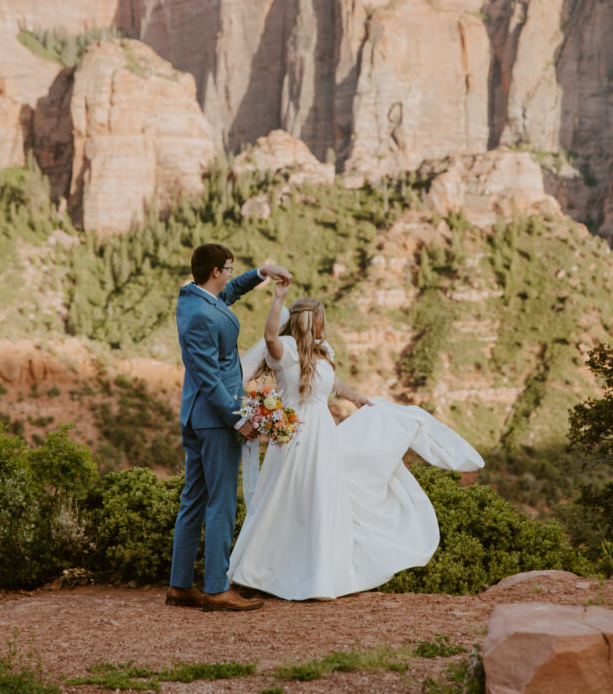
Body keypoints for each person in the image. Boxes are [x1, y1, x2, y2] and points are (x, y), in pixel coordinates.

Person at [229, 278, 485, 600]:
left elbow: (333, 383)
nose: (325, 327)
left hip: (323, 433)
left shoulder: (322, 354)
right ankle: (268, 571)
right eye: (320, 321)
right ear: (310, 322)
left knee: (321, 495)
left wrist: (357, 398)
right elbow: (269, 335)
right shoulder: (286, 351)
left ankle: (318, 574)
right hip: (294, 433)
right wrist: (278, 297)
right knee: (288, 495)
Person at [167, 243, 291, 612]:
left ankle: (180, 585)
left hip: (196, 416)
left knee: (193, 500)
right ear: (215, 271)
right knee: (220, 503)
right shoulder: (202, 315)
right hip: (214, 420)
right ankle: (218, 589)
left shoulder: (194, 299)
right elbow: (208, 377)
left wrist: (260, 273)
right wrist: (239, 420)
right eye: (230, 268)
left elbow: (228, 295)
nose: (231, 274)